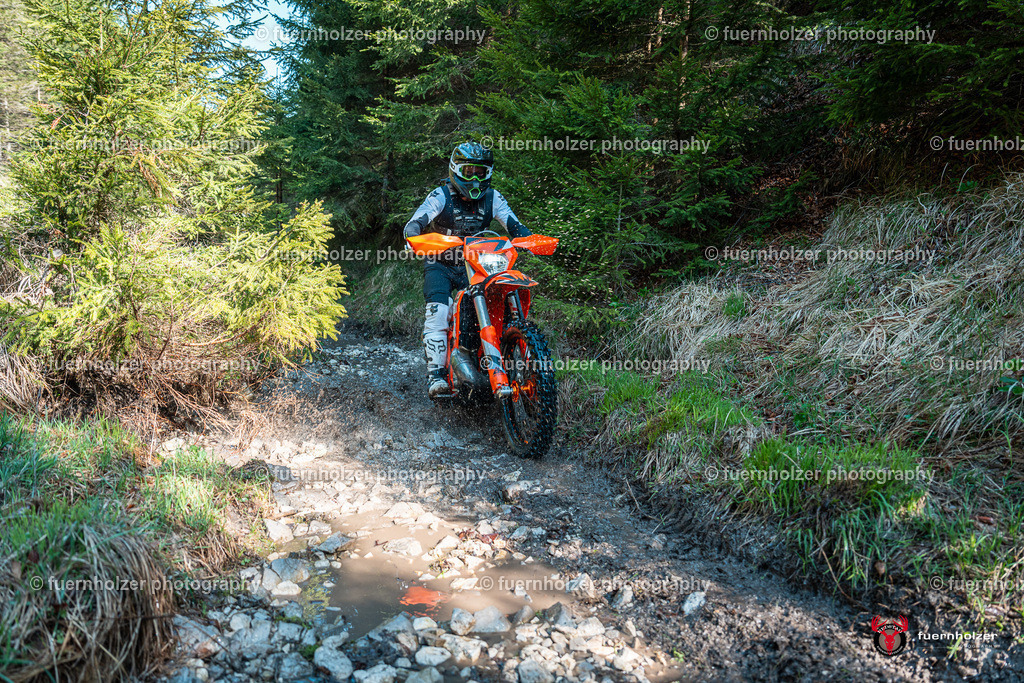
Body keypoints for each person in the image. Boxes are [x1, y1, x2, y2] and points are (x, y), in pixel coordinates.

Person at [403, 142, 531, 397]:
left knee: (493, 306)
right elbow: (414, 223)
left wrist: (528, 239)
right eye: (468, 171)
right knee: (439, 312)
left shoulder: (493, 198)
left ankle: (499, 362)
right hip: (440, 263)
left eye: (480, 172)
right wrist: (414, 237)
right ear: (455, 169)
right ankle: (436, 375)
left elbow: (514, 224)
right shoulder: (440, 195)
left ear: (488, 174)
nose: (474, 178)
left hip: (477, 266)